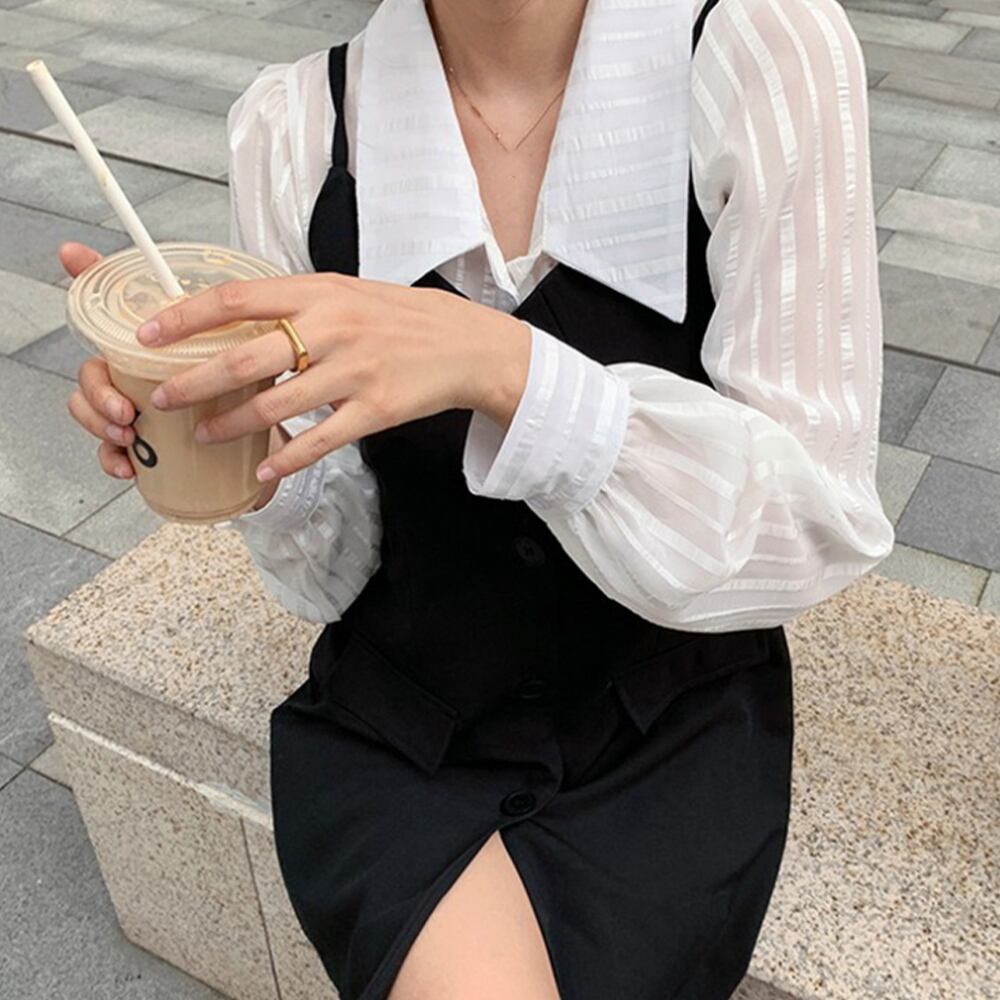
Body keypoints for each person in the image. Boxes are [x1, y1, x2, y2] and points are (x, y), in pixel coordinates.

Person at [61, 0, 895, 997]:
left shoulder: (761, 52)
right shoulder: (295, 128)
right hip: (407, 722)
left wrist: (509, 371)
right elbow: (337, 572)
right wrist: (243, 447)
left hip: (669, 716)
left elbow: (815, 525)